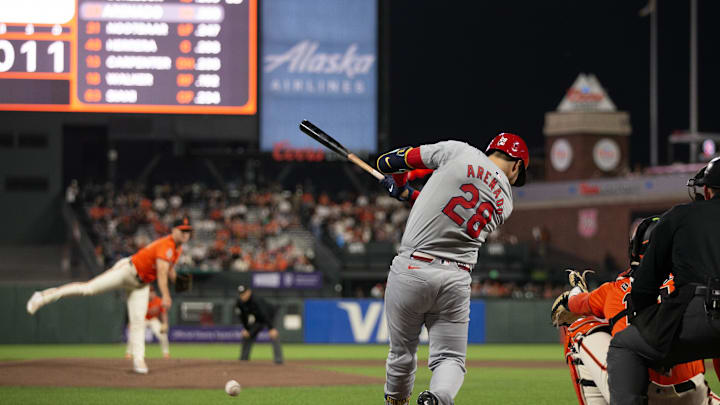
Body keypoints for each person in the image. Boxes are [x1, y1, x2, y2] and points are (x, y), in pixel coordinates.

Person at [375, 134, 529, 405]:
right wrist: (406, 193)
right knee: (451, 359)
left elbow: (389, 161)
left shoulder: (458, 150)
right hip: (456, 278)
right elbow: (448, 206)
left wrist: (399, 184)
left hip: (413, 267)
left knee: (402, 354)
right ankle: (436, 398)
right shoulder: (506, 202)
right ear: (516, 165)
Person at [556, 216, 720, 405]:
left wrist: (573, 296)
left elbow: (576, 304)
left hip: (636, 393)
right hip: (693, 394)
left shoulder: (614, 289)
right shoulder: (699, 284)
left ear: (636, 250)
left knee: (579, 327)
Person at [607, 157, 720, 405]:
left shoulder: (681, 216)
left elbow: (645, 285)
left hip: (695, 313)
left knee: (625, 346)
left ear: (707, 190)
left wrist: (651, 327)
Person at [26, 217, 192, 374]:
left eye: (188, 231)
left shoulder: (177, 249)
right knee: (88, 288)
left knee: (138, 321)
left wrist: (178, 280)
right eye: (182, 230)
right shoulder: (166, 245)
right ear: (173, 230)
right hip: (127, 271)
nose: (185, 234)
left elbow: (169, 270)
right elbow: (162, 272)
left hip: (141, 285)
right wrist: (166, 296)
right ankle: (42, 296)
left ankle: (139, 360)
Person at [235, 284, 283, 364]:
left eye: (244, 293)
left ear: (249, 292)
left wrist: (271, 328)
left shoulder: (256, 300)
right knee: (247, 335)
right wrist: (246, 329)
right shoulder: (240, 303)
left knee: (274, 335)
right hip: (258, 319)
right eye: (241, 294)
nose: (242, 296)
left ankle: (278, 360)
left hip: (271, 316)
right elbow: (242, 317)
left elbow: (265, 314)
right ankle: (243, 358)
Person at [125, 285, 170, 359]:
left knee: (163, 335)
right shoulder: (141, 301)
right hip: (143, 319)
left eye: (152, 292)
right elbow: (135, 313)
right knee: (134, 333)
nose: (150, 294)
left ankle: (166, 353)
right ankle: (129, 353)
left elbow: (163, 313)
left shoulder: (159, 301)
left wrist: (165, 323)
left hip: (153, 319)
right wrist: (131, 322)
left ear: (154, 293)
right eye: (149, 292)